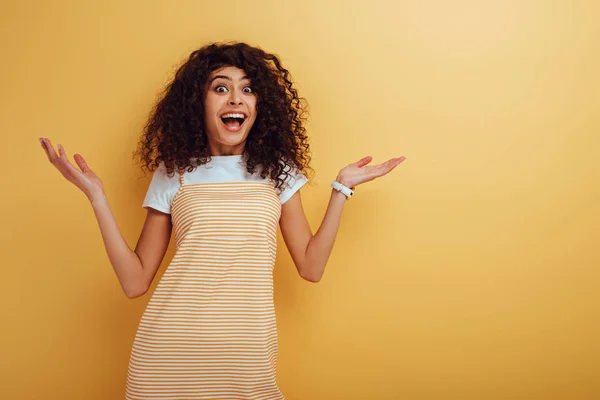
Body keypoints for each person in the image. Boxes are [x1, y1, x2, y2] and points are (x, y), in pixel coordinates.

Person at [39, 42, 405, 399]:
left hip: (247, 361)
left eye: (247, 89)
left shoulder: (277, 173)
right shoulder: (174, 173)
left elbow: (311, 267)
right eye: (220, 88)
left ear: (260, 106)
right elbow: (134, 282)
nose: (235, 99)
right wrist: (97, 197)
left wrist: (341, 189)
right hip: (168, 358)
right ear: (198, 104)